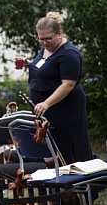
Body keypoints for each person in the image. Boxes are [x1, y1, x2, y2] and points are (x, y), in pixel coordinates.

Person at [28, 11, 92, 165]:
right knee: (51, 150)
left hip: (66, 108)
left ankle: (82, 185)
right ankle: (55, 185)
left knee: (70, 147)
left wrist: (46, 103)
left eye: (48, 38)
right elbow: (47, 68)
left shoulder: (69, 54)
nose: (44, 42)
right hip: (48, 111)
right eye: (41, 39)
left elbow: (68, 84)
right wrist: (28, 63)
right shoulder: (46, 49)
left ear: (59, 34)